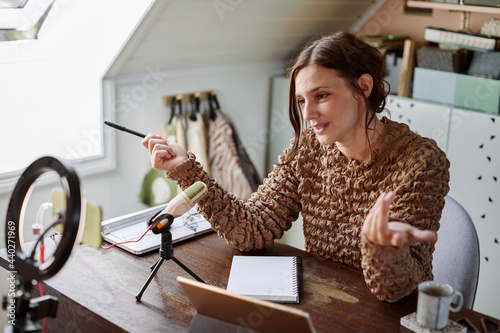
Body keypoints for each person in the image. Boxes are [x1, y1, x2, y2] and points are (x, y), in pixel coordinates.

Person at [141, 31, 450, 303]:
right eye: (302, 100)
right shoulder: (307, 148)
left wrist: (381, 248)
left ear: (363, 87)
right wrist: (185, 168)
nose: (309, 113)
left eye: (322, 95)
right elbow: (252, 228)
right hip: (322, 304)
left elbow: (394, 291)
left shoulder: (421, 162)